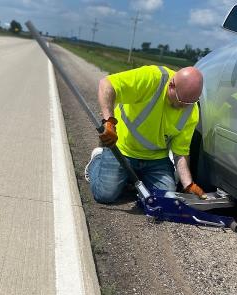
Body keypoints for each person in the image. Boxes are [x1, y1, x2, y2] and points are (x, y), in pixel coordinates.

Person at [84, 65, 206, 203]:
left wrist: (188, 184)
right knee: (104, 195)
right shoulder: (152, 78)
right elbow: (106, 84)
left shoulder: (191, 110)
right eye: (182, 101)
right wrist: (109, 122)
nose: (185, 106)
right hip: (123, 149)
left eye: (190, 102)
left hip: (156, 159)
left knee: (165, 199)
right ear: (172, 85)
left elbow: (181, 152)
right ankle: (98, 159)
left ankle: (130, 177)